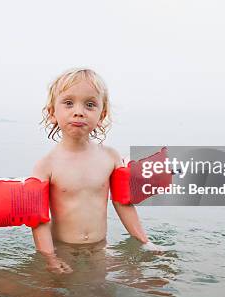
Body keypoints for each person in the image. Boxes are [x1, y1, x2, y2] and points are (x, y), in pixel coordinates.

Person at [31, 68, 158, 274]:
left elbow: (122, 203)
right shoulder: (46, 165)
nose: (79, 111)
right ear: (52, 113)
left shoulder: (110, 157)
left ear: (102, 115)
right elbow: (39, 220)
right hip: (62, 249)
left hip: (100, 247)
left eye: (90, 104)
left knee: (100, 296)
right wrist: (50, 258)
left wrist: (145, 241)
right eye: (69, 103)